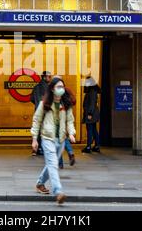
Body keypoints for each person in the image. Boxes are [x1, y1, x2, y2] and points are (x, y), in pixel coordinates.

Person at [31, 77, 76, 205]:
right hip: (47, 138)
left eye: (62, 86)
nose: (61, 89)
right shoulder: (44, 104)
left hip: (61, 139)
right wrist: (34, 139)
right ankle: (58, 192)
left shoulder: (65, 104)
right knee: (53, 163)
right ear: (52, 89)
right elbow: (37, 120)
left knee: (51, 163)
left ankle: (40, 183)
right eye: (58, 87)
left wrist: (71, 133)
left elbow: (70, 121)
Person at [30, 71, 52, 156]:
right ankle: (42, 148)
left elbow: (31, 98)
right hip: (45, 111)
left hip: (37, 110)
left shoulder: (35, 87)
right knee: (44, 129)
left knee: (37, 129)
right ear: (44, 77)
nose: (50, 78)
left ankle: (36, 148)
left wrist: (36, 104)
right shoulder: (48, 88)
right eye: (49, 77)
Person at [82, 76, 101, 153]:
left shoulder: (92, 91)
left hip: (91, 113)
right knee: (93, 129)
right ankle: (96, 146)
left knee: (89, 129)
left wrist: (90, 113)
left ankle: (88, 146)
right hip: (93, 113)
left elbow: (92, 103)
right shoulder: (93, 90)